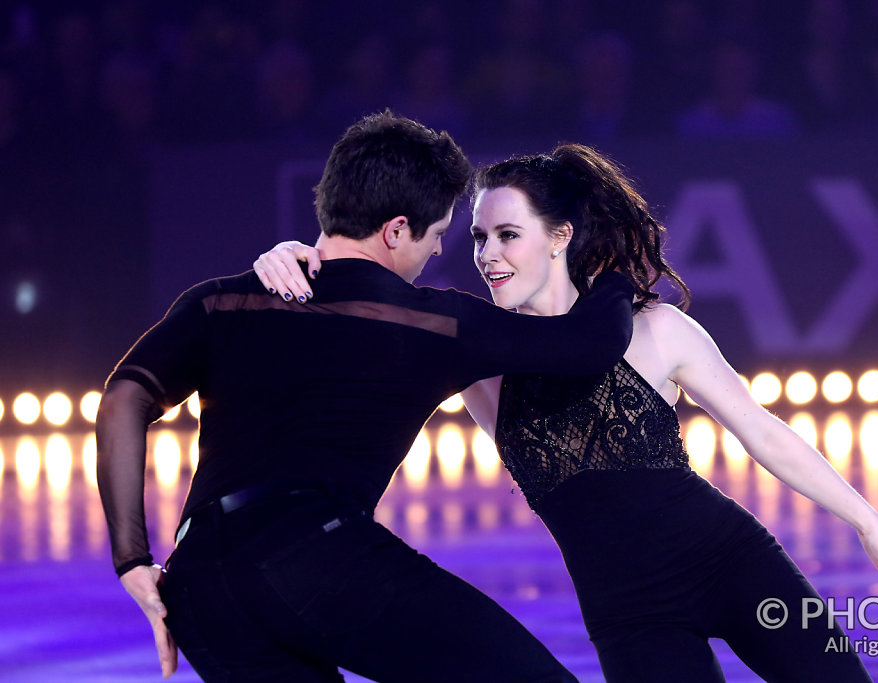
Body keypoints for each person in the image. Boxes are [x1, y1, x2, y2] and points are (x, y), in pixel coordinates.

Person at [258, 143, 878, 682]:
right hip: (627, 611)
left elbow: (763, 433)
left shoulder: (655, 329)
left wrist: (869, 523)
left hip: (732, 564)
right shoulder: (482, 366)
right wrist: (302, 260)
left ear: (560, 237)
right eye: (480, 236)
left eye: (508, 235)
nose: (488, 255)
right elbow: (360, 325)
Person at [96, 113, 638, 682]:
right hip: (316, 559)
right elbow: (593, 344)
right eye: (435, 238)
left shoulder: (222, 301)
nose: (433, 256)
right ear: (397, 230)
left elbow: (122, 399)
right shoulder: (433, 322)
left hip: (199, 587)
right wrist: (616, 266)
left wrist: (132, 559)